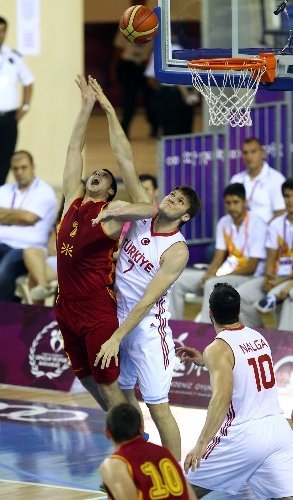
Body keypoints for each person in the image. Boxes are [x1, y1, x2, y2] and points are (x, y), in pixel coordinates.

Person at [90, 77, 201, 461]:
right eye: (173, 192)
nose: (172, 197)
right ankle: (138, 461)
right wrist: (107, 107)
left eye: (180, 200)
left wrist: (117, 337)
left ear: (184, 216)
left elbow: (146, 302)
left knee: (158, 407)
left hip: (147, 329)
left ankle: (176, 480)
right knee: (121, 404)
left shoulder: (177, 251)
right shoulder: (144, 213)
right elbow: (124, 158)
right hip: (118, 315)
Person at [55, 75, 157, 413]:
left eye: (105, 176)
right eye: (95, 172)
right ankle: (124, 427)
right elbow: (74, 149)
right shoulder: (73, 199)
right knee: (84, 378)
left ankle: (132, 440)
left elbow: (151, 209)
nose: (97, 173)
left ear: (111, 191)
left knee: (108, 384)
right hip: (66, 307)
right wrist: (85, 106)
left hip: (97, 311)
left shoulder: (111, 212)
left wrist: (121, 210)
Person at [177, 283, 293, 499]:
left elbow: (222, 397)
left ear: (210, 313)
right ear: (239, 310)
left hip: (243, 435)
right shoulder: (258, 337)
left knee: (183, 491)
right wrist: (206, 361)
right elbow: (243, 365)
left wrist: (201, 444)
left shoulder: (217, 348)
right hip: (279, 430)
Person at [168, 183, 267, 322]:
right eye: (228, 203)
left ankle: (206, 333)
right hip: (225, 273)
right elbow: (218, 259)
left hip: (249, 277)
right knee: (178, 280)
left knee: (211, 285)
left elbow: (251, 268)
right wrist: (208, 275)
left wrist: (215, 278)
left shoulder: (258, 224)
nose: (232, 207)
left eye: (236, 202)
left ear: (245, 202)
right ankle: (172, 328)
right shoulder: (224, 222)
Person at [99, 403, 197, 500]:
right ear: (142, 429)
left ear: (107, 433)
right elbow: (191, 497)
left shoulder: (114, 464)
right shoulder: (165, 453)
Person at [0, 150, 57, 302]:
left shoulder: (44, 192)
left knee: (3, 272)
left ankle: (6, 316)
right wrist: (18, 216)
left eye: (23, 167)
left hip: (25, 248)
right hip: (2, 244)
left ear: (33, 167)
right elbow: (24, 216)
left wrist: (5, 216)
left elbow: (28, 217)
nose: (19, 172)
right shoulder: (5, 190)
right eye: (15, 169)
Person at [239, 177, 293, 330]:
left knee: (287, 295)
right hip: (278, 276)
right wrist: (268, 278)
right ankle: (256, 337)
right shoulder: (276, 224)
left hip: (287, 279)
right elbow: (271, 258)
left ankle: (286, 345)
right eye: (287, 196)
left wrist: (281, 282)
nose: (290, 200)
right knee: (242, 295)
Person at [110, 1, 156, 138]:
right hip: (129, 65)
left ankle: (154, 126)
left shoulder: (152, 24)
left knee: (150, 99)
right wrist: (113, 69)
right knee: (129, 99)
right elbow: (118, 49)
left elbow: (155, 47)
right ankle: (125, 128)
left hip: (145, 65)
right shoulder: (125, 23)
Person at [0, 17, 34, 186]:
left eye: (2, 30)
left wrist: (25, 106)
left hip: (8, 118)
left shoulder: (14, 56)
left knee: (5, 157)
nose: (0, 34)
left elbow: (28, 81)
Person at [230, 137, 286, 223]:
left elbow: (281, 213)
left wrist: (262, 231)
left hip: (268, 234)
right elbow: (230, 209)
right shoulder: (236, 180)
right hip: (240, 234)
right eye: (245, 153)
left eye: (253, 152)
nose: (249, 157)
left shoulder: (276, 179)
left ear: (262, 153)